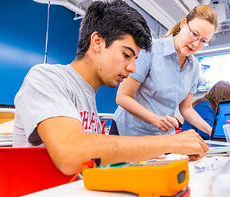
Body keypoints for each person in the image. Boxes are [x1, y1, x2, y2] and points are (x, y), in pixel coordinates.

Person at [12, 0, 209, 175]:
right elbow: (70, 154)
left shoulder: (88, 98)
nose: (132, 68)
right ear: (97, 41)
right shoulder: (45, 77)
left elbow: (92, 164)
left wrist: (146, 154)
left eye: (135, 59)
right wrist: (169, 143)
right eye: (126, 55)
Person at [110, 5, 219, 137]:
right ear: (184, 24)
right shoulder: (151, 50)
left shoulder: (194, 67)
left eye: (203, 41)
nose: (196, 44)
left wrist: (214, 132)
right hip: (130, 133)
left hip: (162, 137)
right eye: (194, 34)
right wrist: (155, 119)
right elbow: (122, 97)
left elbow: (186, 109)